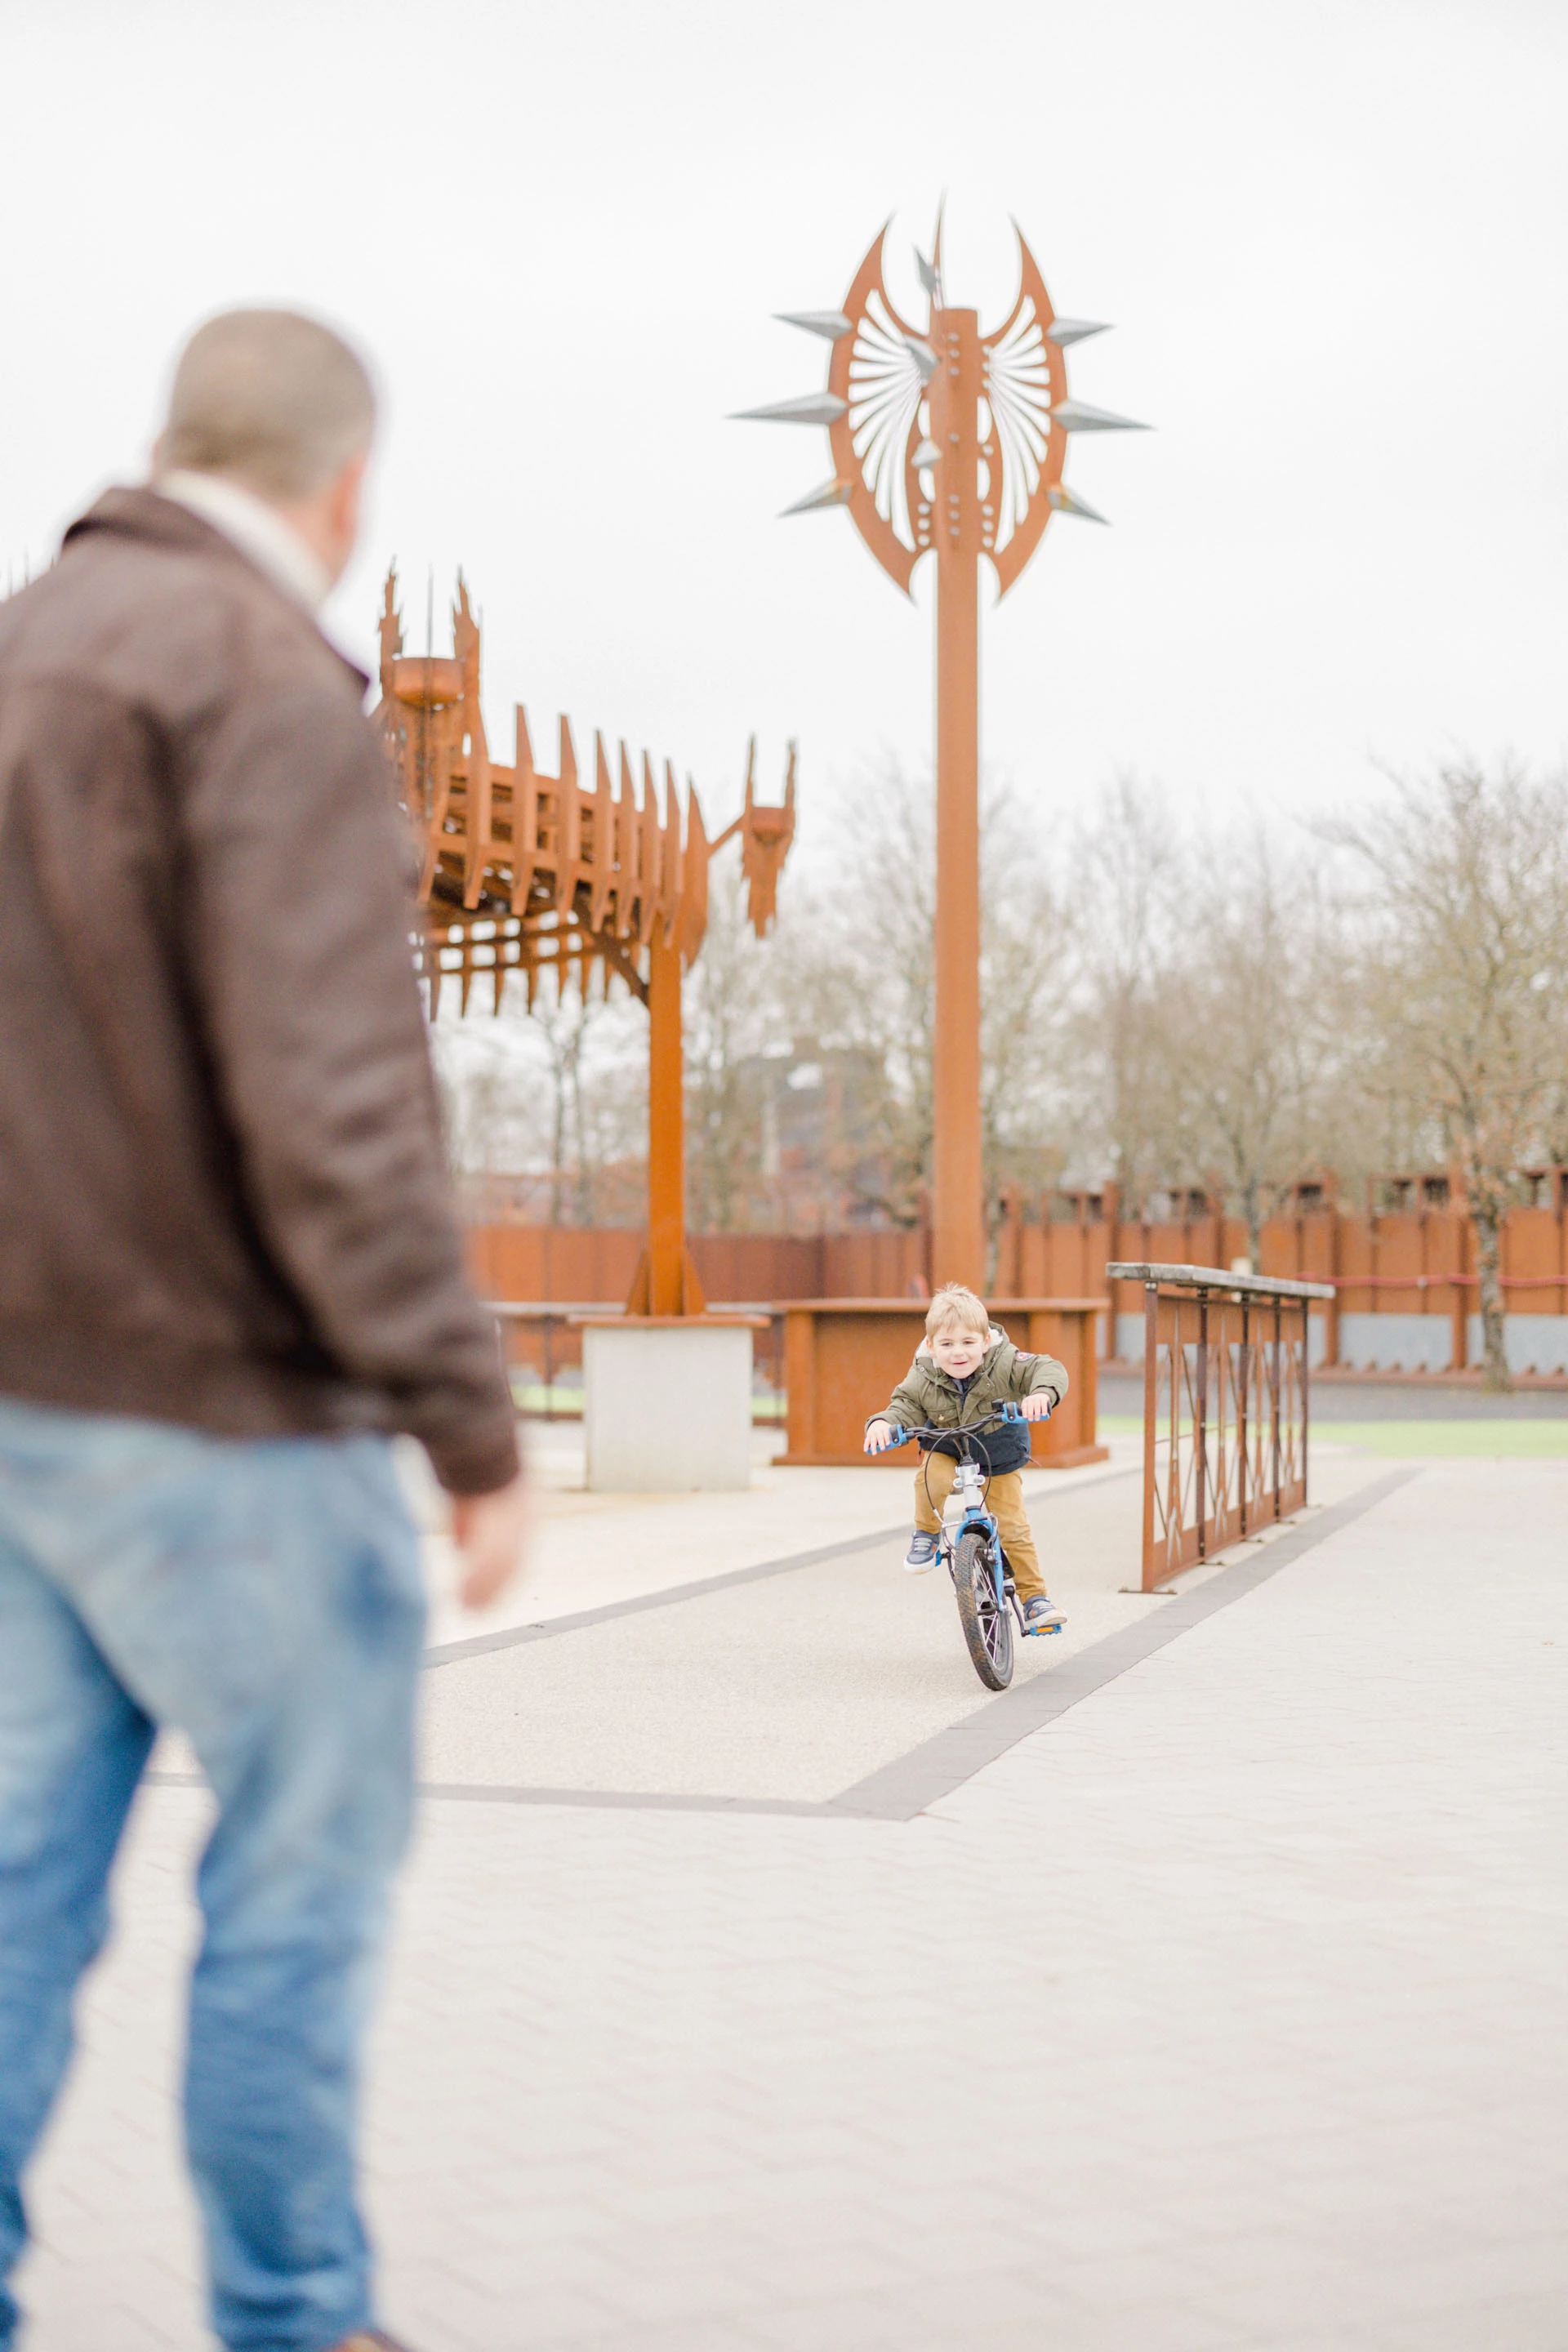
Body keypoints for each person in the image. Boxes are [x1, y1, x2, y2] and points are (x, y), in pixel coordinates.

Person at [0, 309, 528, 2352]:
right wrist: (469, 1426)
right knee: (292, 1905)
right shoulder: (265, 685)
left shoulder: (27, 648)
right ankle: (298, 2321)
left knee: (23, 1900)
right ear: (345, 485)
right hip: (222, 1423)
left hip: (21, 1417)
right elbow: (336, 1112)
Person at [863, 1282, 1069, 1634]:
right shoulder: (924, 1372)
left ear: (986, 1341)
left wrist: (1041, 1394)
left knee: (1014, 1527)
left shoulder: (1006, 1361)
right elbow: (905, 1405)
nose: (958, 1353)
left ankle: (1035, 1600)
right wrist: (882, 1423)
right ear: (931, 1346)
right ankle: (926, 1534)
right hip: (946, 1445)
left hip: (998, 1450)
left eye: (968, 1343)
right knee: (930, 1477)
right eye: (946, 1344)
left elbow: (1046, 1369)